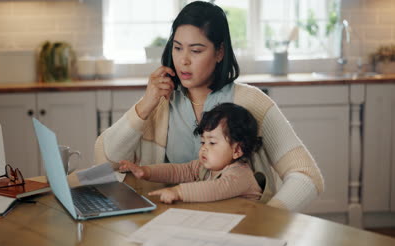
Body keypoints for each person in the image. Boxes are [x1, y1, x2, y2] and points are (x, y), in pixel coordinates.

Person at [95, 1, 324, 211]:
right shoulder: (159, 102)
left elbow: (306, 175)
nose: (183, 60)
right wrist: (145, 106)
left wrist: (269, 218)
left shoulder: (251, 102)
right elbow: (105, 160)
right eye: (177, 48)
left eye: (196, 51)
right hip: (168, 226)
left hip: (238, 231)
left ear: (219, 52)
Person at [119, 103, 263, 204]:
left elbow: (214, 189)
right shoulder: (204, 168)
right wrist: (146, 171)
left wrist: (178, 192)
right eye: (202, 142)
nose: (204, 148)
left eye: (212, 143)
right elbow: (178, 171)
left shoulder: (240, 175)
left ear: (237, 150)